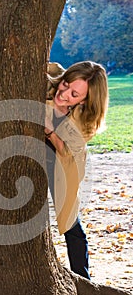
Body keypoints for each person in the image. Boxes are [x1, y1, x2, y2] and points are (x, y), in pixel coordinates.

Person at [45, 61, 108, 279]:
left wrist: (50, 131)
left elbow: (67, 152)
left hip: (64, 162)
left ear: (85, 100)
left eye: (74, 94)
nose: (63, 94)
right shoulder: (49, 84)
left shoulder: (86, 120)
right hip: (34, 154)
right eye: (65, 84)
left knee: (71, 222)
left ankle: (83, 278)